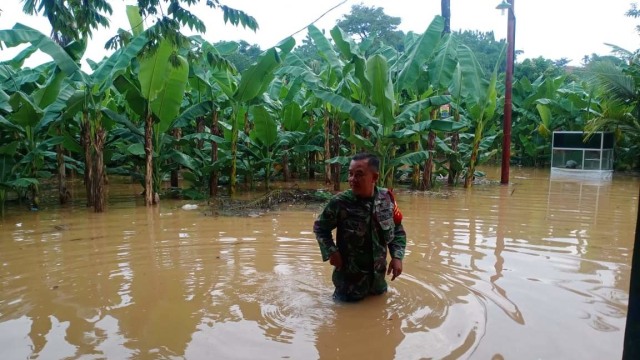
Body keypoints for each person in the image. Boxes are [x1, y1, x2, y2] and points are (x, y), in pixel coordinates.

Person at [313, 153, 407, 302]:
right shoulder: (339, 203)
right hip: (349, 286)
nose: (352, 179)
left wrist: (397, 256)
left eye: (359, 175)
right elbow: (320, 228)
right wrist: (332, 251)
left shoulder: (386, 198)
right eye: (350, 174)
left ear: (374, 178)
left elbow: (397, 229)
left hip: (378, 284)